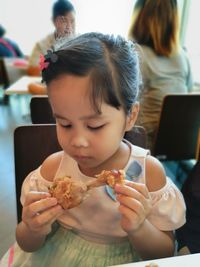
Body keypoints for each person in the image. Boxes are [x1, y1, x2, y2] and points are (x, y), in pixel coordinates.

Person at [8, 33, 186, 267]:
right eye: (65, 124)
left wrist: (140, 227)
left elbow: (163, 254)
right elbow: (27, 244)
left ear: (130, 116)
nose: (78, 141)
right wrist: (32, 228)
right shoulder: (53, 170)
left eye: (95, 126)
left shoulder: (147, 174)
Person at [128, 0, 193, 151]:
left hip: (142, 147)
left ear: (139, 15)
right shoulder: (183, 57)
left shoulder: (135, 54)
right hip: (178, 148)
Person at [27, 0, 76, 76]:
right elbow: (32, 71)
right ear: (54, 21)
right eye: (64, 21)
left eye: (72, 21)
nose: (69, 26)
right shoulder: (42, 46)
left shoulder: (83, 42)